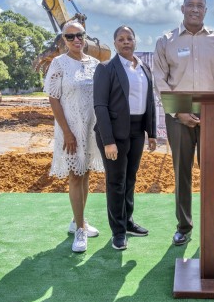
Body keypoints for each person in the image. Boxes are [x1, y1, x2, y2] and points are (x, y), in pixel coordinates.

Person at [153, 0, 214, 246]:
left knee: (212, 173)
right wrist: (178, 111)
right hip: (178, 115)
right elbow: (160, 79)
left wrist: (213, 110)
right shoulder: (166, 41)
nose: (195, 9)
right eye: (191, 5)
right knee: (182, 172)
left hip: (211, 116)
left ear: (206, 10)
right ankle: (183, 227)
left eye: (200, 5)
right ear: (182, 8)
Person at [93, 26, 157, 251]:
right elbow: (100, 106)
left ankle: (128, 222)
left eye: (129, 38)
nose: (126, 42)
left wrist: (152, 133)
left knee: (130, 179)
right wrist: (108, 140)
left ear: (135, 42)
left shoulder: (144, 68)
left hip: (138, 131)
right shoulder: (106, 69)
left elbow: (149, 102)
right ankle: (118, 231)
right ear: (115, 43)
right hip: (114, 133)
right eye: (121, 39)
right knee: (116, 182)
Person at [44, 20, 104, 253]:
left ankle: (78, 220)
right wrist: (68, 132)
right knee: (75, 176)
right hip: (70, 130)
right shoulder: (59, 64)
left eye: (80, 35)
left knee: (86, 173)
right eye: (70, 37)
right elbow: (54, 99)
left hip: (90, 129)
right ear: (64, 40)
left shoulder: (96, 64)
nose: (77, 40)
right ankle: (79, 230)